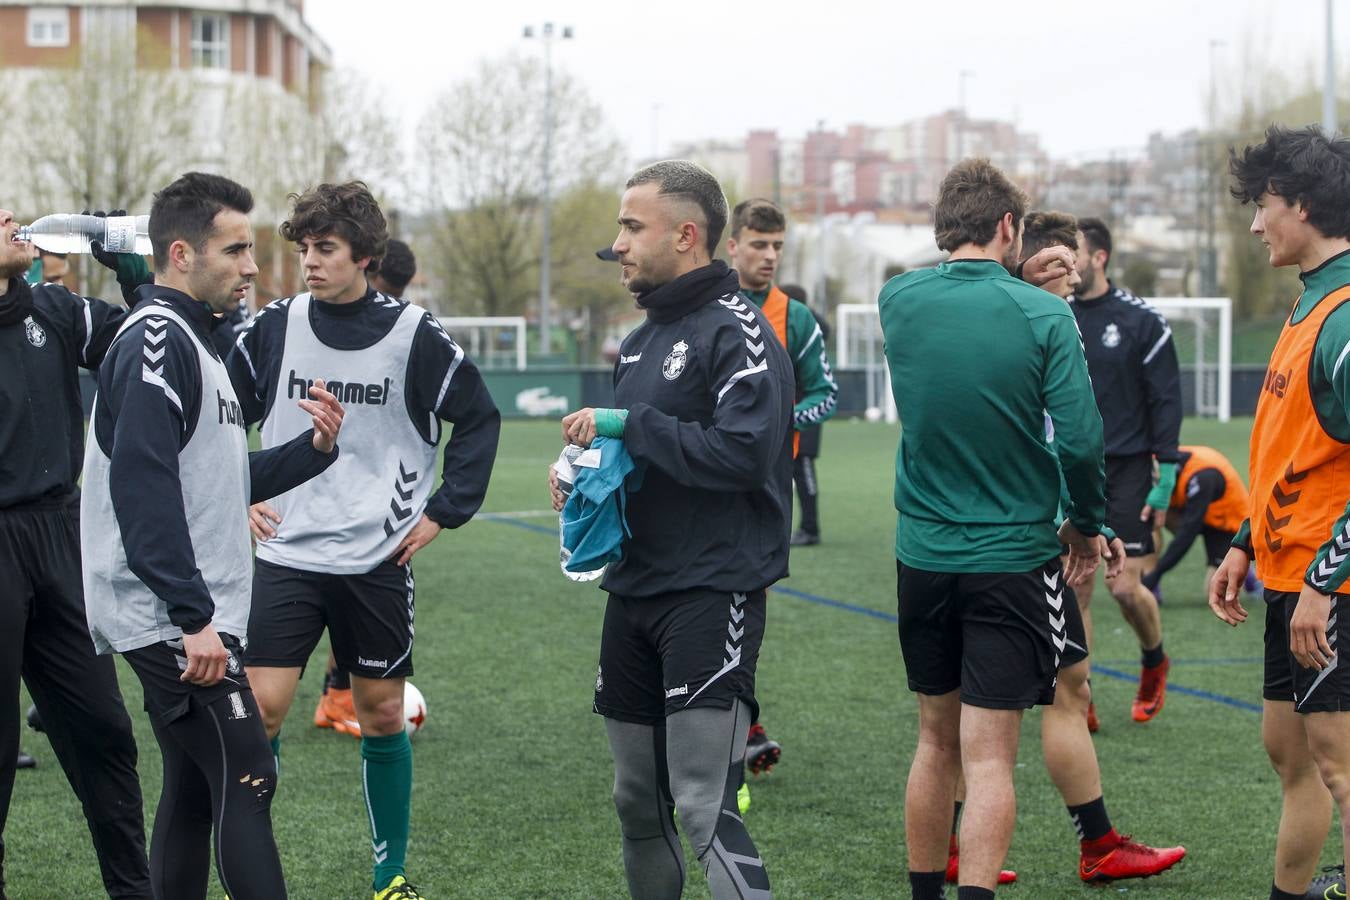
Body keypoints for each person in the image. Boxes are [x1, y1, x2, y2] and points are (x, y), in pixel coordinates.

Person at [228, 182, 500, 900]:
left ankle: (390, 875)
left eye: (325, 249)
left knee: (381, 712)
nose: (310, 263)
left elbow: (478, 417)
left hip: (376, 557)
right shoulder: (276, 325)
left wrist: (447, 509)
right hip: (286, 552)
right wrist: (243, 491)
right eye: (304, 249)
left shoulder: (416, 335)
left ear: (366, 256)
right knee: (261, 710)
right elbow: (225, 417)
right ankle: (246, 874)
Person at [80, 171, 346, 900]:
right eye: (235, 250)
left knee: (198, 790)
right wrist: (191, 616)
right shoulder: (158, 339)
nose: (253, 267)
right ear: (180, 253)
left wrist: (310, 453)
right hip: (169, 616)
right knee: (250, 775)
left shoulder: (196, 343)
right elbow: (142, 486)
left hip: (184, 610)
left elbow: (212, 480)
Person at [551, 160, 793, 900]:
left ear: (686, 235)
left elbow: (746, 454)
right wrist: (586, 474)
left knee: (700, 800)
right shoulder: (639, 341)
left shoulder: (740, 330)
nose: (617, 244)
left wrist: (635, 424)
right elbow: (643, 453)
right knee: (634, 799)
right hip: (634, 591)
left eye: (631, 227)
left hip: (711, 588)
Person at [880, 160, 1117, 900]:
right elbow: (1079, 442)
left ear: (941, 228)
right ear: (1009, 227)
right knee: (988, 762)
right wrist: (1086, 526)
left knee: (933, 744)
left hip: (921, 555)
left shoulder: (896, 300)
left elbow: (961, 307)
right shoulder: (1045, 315)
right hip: (1011, 558)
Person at [945, 211, 1186, 888]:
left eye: (1073, 262)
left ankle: (953, 851)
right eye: (1054, 262)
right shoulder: (1042, 329)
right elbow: (1068, 441)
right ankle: (1095, 845)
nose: (1069, 273)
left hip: (951, 537)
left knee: (966, 701)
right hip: (1027, 540)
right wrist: (1081, 522)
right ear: (1021, 261)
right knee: (1056, 691)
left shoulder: (953, 319)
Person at [1211, 124, 1350, 900]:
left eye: (1263, 206)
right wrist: (1241, 543)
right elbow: (1288, 455)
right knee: (1292, 758)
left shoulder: (1346, 319)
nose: (1257, 224)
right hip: (1288, 575)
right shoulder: (1311, 306)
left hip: (1332, 588)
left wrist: (1325, 586)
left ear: (1302, 203)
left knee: (1341, 768)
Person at [0, 211, 152, 898]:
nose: (11, 214)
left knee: (105, 732)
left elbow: (157, 349)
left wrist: (142, 287)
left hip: (61, 538)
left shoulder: (54, 310)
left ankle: (134, 890)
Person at [725, 200, 839, 779]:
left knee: (748, 606)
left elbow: (826, 392)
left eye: (777, 247)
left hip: (768, 490)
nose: (769, 256)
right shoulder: (705, 306)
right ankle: (731, 724)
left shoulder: (794, 318)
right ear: (732, 246)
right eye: (758, 245)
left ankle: (742, 723)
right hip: (702, 480)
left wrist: (783, 420)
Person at [1069, 216, 1182, 725]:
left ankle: (1154, 660)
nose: (1065, 264)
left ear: (1099, 258)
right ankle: (1081, 693)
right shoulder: (1054, 316)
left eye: (1074, 254)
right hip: (1074, 468)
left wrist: (1167, 480)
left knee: (1122, 587)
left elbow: (1166, 400)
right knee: (1079, 584)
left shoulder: (1142, 320)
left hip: (1131, 466)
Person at [310, 237, 420, 740]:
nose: (390, 299)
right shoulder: (308, 326)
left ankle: (336, 696)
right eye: (386, 288)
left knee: (355, 607)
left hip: (373, 509)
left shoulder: (405, 331)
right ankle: (334, 696)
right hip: (311, 500)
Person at [1141, 444, 1260, 602]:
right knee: (1148, 514)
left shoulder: (1203, 476)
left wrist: (1157, 574)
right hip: (1195, 509)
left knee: (1215, 595)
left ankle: (1249, 575)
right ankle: (1150, 587)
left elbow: (1187, 534)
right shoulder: (1160, 461)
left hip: (1225, 523)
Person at [780, 284, 830, 548]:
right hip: (791, 409)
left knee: (804, 469)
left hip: (806, 410)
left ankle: (810, 528)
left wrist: (801, 312)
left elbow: (824, 327)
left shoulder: (808, 329)